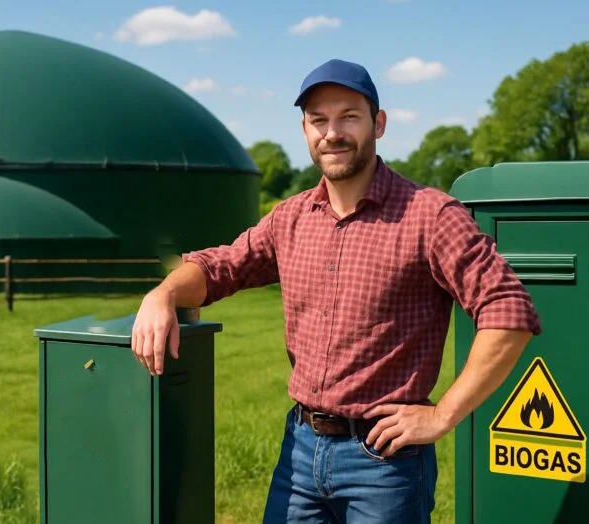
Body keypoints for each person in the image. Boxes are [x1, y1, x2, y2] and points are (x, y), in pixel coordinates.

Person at [131, 59, 540, 523]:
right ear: (305, 130)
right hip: (301, 452)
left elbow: (510, 312)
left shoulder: (430, 216)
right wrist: (162, 294)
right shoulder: (291, 218)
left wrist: (444, 413)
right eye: (319, 121)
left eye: (349, 116)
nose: (332, 133)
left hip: (385, 462)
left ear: (378, 123)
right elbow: (221, 266)